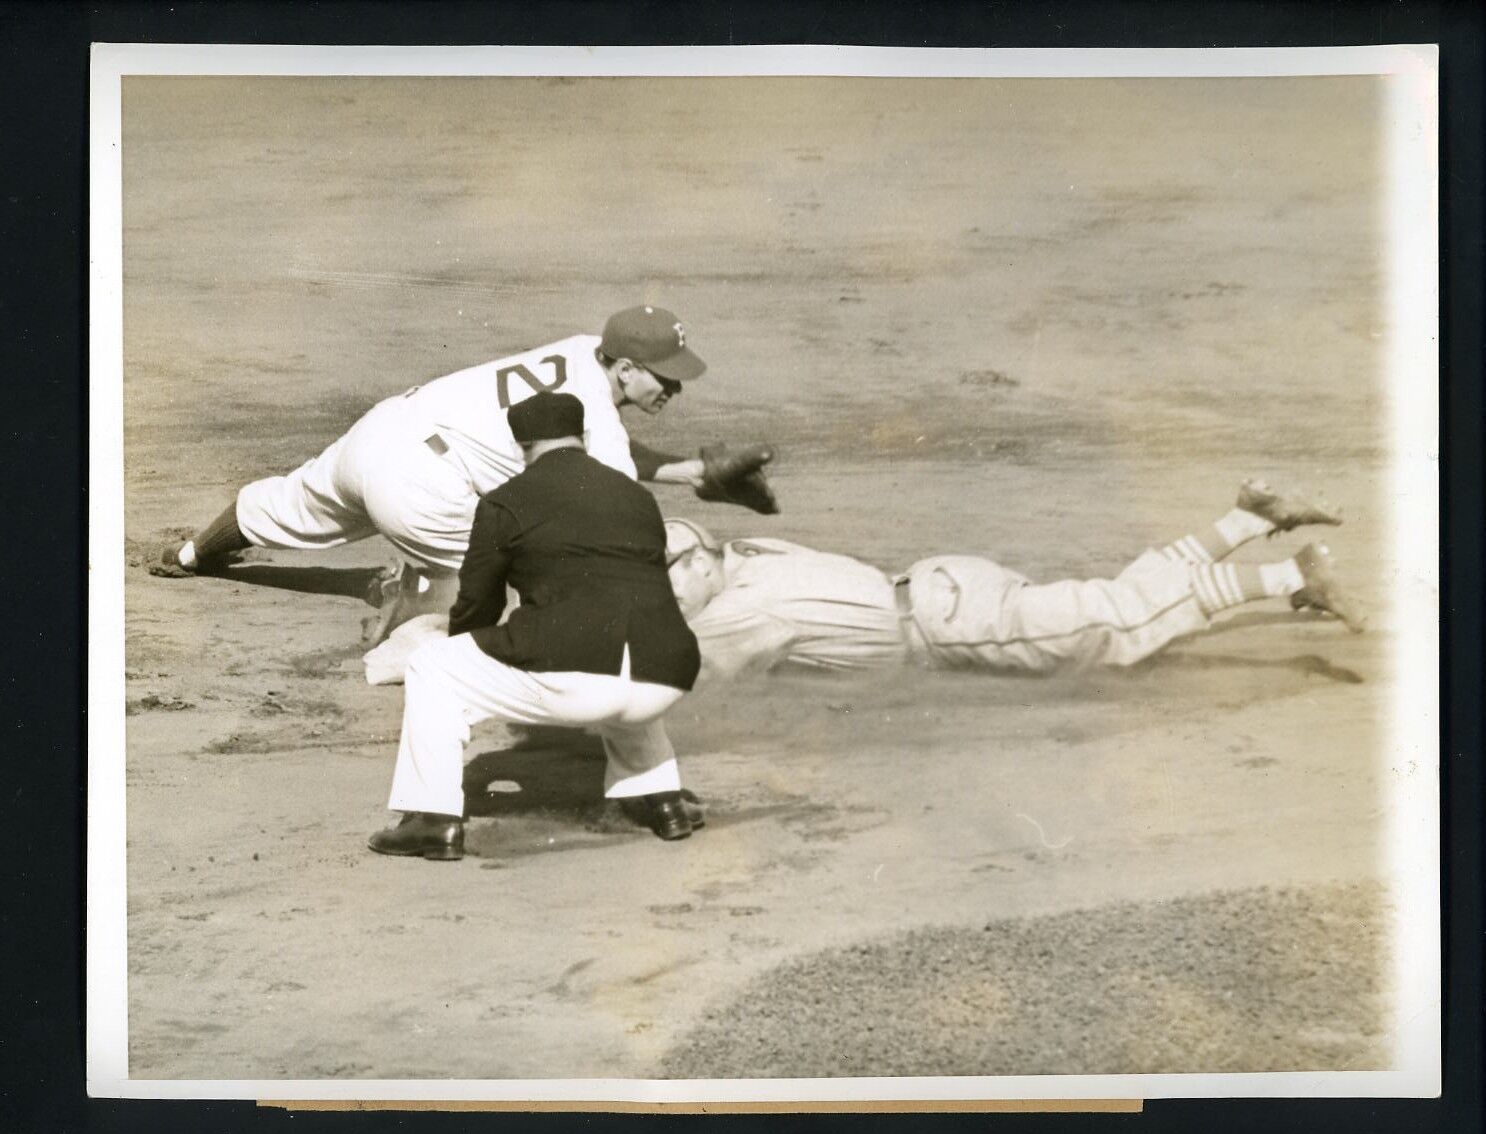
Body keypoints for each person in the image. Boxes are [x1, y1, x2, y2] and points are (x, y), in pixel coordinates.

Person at [152, 305, 778, 640]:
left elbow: (590, 440)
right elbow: (612, 498)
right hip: (420, 489)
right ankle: (409, 607)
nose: (674, 386)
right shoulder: (602, 416)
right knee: (508, 582)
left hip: (380, 432)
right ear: (622, 369)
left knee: (283, 503)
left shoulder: (583, 347)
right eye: (664, 375)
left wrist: (694, 470)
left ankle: (189, 556)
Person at [368, 391, 703, 861]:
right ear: (582, 437)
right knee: (623, 639)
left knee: (432, 667)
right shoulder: (637, 495)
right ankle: (665, 802)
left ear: (521, 445)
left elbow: (478, 604)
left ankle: (433, 820)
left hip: (581, 677)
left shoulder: (507, 502)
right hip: (667, 672)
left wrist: (469, 645)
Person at [662, 479, 1363, 682]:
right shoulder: (750, 551)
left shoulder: (741, 612)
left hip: (951, 625)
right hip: (943, 586)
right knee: (1110, 606)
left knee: (1118, 626)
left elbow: (678, 676)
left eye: (671, 586)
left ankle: (1288, 573)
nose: (671, 603)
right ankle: (1246, 518)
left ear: (697, 561)